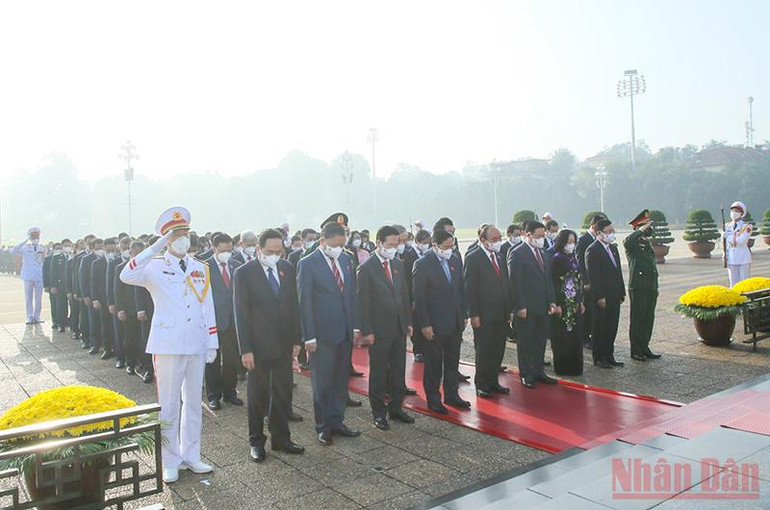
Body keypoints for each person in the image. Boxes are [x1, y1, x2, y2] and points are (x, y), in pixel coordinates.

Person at [120, 207, 219, 483]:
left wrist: (212, 341)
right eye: (176, 234)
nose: (182, 238)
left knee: (194, 404)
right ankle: (170, 459)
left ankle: (191, 455)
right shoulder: (153, 266)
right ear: (165, 238)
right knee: (168, 404)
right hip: (167, 344)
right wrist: (154, 248)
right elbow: (126, 276)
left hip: (196, 342)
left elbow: (207, 306)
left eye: (185, 233)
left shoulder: (201, 267)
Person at [234, 228, 305, 461]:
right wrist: (245, 349)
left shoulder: (286, 268)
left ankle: (281, 438)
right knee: (258, 396)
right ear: (258, 249)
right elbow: (241, 314)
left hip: (284, 343)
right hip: (258, 346)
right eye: (269, 251)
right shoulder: (244, 273)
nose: (274, 255)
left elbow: (293, 306)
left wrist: (297, 340)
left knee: (283, 393)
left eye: (278, 251)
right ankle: (256, 441)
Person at [297, 221, 361, 446]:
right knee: (322, 382)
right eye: (335, 244)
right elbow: (304, 301)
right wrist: (309, 336)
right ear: (322, 241)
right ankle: (323, 426)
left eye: (342, 244)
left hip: (344, 331)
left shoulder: (345, 259)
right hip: (321, 334)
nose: (339, 248)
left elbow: (351, 295)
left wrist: (354, 326)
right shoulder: (308, 263)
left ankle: (337, 420)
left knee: (340, 379)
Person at [357, 226, 415, 430]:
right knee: (379, 372)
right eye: (390, 245)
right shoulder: (366, 268)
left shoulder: (398, 264)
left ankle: (396, 407)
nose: (393, 248)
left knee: (399, 369)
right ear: (379, 242)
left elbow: (404, 295)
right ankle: (378, 412)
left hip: (398, 327)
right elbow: (362, 303)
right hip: (379, 330)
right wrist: (367, 331)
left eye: (396, 244)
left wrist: (408, 322)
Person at [413, 229, 469, 413]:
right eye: (445, 247)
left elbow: (460, 290)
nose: (449, 249)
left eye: (451, 246)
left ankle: (452, 395)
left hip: (454, 322)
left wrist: (463, 315)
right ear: (435, 245)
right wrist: (425, 324)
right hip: (434, 324)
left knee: (452, 362)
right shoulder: (422, 264)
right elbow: (419, 298)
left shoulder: (454, 259)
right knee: (434, 365)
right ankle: (433, 399)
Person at [508, 221, 560, 389]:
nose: (541, 239)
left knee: (540, 340)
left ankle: (538, 371)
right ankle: (526, 373)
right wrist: (519, 306)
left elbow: (548, 280)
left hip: (543, 306)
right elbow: (515, 283)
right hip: (526, 307)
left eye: (543, 236)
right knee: (526, 341)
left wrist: (552, 301)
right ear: (527, 235)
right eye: (538, 236)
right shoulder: (517, 253)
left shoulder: (543, 252)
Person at [464, 225, 511, 398]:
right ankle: (482, 384)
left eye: (500, 238)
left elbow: (505, 284)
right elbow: (470, 288)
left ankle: (493, 381)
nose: (498, 242)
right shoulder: (473, 258)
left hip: (501, 312)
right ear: (483, 241)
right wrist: (473, 314)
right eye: (494, 239)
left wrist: (509, 309)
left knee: (498, 349)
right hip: (483, 314)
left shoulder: (499, 255)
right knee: (484, 350)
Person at [204, 233, 244, 410]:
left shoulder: (237, 266)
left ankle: (230, 392)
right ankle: (214, 395)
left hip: (233, 322)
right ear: (214, 248)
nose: (227, 253)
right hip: (212, 321)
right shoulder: (204, 267)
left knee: (231, 360)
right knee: (212, 360)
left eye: (230, 250)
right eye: (223, 250)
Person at [585, 218, 626, 369]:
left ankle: (609, 355)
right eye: (608, 232)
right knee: (600, 327)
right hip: (602, 297)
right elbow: (594, 276)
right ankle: (599, 357)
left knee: (611, 326)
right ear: (599, 233)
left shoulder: (613, 248)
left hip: (615, 294)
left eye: (612, 231)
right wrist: (599, 296)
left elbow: (618, 272)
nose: (611, 234)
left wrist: (622, 291)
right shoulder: (593, 250)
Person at [624, 210, 662, 362]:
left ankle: (644, 346)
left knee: (648, 318)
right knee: (638, 319)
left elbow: (653, 267)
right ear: (638, 227)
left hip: (650, 286)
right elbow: (627, 241)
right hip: (638, 286)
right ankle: (636, 350)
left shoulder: (646, 243)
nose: (649, 228)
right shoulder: (632, 243)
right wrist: (640, 230)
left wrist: (656, 286)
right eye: (645, 225)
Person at [549, 229, 584, 376]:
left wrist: (580, 301)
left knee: (575, 335)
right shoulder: (557, 258)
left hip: (574, 302)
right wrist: (556, 304)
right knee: (563, 335)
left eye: (573, 242)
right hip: (563, 303)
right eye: (569, 242)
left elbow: (577, 280)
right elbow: (554, 282)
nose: (571, 245)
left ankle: (575, 366)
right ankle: (563, 366)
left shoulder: (572, 257)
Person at [115, 240, 144, 376]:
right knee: (130, 337)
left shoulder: (149, 266)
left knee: (144, 338)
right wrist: (120, 309)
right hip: (129, 308)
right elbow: (118, 290)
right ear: (131, 253)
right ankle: (130, 362)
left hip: (145, 309)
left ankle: (143, 364)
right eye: (136, 253)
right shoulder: (121, 268)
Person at [576, 214, 605, 350]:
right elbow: (579, 261)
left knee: (595, 311)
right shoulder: (583, 240)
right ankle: (584, 337)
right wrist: (585, 281)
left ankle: (595, 334)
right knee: (587, 311)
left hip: (598, 280)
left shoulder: (600, 240)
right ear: (594, 226)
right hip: (587, 282)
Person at [12, 227, 47, 324]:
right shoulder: (25, 247)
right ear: (30, 237)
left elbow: (44, 261)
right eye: (33, 236)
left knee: (38, 298)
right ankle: (29, 316)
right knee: (28, 297)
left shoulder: (42, 248)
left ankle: (37, 316)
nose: (36, 238)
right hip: (28, 276)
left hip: (39, 276)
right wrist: (24, 241)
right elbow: (13, 251)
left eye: (37, 236)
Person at [90, 238, 118, 360]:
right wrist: (95, 299)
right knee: (105, 325)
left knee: (117, 327)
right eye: (109, 249)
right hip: (103, 299)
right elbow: (94, 283)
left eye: (113, 249)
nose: (111, 251)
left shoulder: (118, 261)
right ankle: (107, 348)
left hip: (117, 299)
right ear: (105, 248)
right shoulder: (97, 263)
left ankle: (118, 349)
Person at [108, 237, 131, 368]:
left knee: (132, 334)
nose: (126, 251)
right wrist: (112, 303)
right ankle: (120, 357)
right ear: (120, 248)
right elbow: (111, 285)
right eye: (124, 248)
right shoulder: (114, 264)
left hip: (132, 303)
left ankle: (132, 358)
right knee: (119, 331)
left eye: (129, 248)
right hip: (119, 302)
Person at [410, 229, 432, 362]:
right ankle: (417, 350)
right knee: (417, 325)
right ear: (417, 242)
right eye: (424, 243)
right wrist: (412, 299)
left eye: (428, 243)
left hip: (428, 296)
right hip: (414, 296)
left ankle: (426, 349)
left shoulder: (429, 255)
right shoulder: (409, 255)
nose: (426, 245)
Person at [724, 201, 753, 286]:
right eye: (732, 211)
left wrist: (728, 237)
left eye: (737, 211)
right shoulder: (727, 226)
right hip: (731, 257)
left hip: (743, 257)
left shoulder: (746, 226)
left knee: (744, 283)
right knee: (733, 283)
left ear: (741, 213)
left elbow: (741, 241)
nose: (734, 213)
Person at [65, 239, 86, 340]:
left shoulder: (84, 259)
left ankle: (82, 330)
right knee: (75, 311)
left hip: (82, 291)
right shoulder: (71, 260)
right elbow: (69, 277)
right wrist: (69, 291)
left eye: (84, 248)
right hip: (74, 290)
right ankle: (75, 331)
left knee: (83, 312)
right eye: (80, 248)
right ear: (76, 248)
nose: (82, 250)